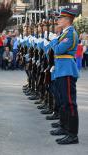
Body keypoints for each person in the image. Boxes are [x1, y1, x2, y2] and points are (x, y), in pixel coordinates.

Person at [49, 8, 79, 145]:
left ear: (67, 20)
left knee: (69, 102)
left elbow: (58, 49)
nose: (58, 20)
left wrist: (54, 40)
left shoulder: (71, 34)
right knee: (62, 100)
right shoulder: (64, 33)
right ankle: (64, 126)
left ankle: (72, 134)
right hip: (61, 69)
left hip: (67, 70)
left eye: (60, 18)